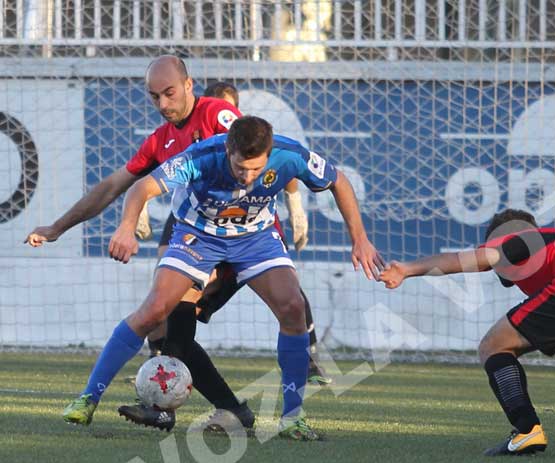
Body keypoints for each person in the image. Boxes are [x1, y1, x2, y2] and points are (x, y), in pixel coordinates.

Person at [62, 115, 383, 440]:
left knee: (293, 307)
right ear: (229, 149)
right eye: (241, 167)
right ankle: (89, 398)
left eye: (256, 169)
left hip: (255, 238)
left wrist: (360, 239)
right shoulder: (202, 156)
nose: (247, 176)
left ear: (269, 154)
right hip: (198, 235)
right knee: (155, 311)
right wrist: (126, 227)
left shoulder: (289, 154)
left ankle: (292, 419)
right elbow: (142, 187)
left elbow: (338, 180)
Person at [25, 55, 256, 431]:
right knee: (173, 324)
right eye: (154, 96)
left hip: (244, 240)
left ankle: (285, 402)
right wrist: (57, 227)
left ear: (188, 85)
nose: (163, 104)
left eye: (169, 93)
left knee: (283, 307)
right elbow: (111, 187)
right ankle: (225, 410)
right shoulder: (160, 141)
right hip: (202, 241)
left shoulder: (218, 114)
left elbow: (254, 153)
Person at [379, 209, 555, 457]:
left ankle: (527, 430)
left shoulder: (521, 239)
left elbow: (462, 260)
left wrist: (407, 269)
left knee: (493, 346)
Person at [196, 81, 332, 387]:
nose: (226, 115)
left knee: (289, 292)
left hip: (256, 228)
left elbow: (287, 166)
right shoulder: (201, 146)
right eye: (220, 108)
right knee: (190, 295)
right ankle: (166, 355)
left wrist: (296, 208)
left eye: (231, 108)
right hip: (208, 228)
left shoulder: (250, 141)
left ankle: (308, 360)